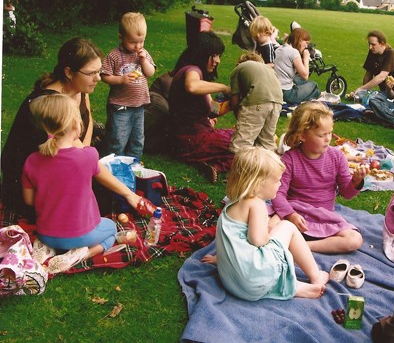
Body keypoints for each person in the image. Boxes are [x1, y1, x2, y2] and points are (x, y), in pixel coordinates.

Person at [22, 94, 146, 273]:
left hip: (46, 233)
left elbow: (28, 200)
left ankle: (47, 248)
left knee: (55, 235)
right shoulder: (88, 156)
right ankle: (81, 254)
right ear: (75, 124)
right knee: (111, 230)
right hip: (82, 236)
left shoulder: (32, 161)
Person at [202, 147, 329, 301]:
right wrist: (273, 233)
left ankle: (298, 287)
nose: (280, 184)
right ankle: (316, 277)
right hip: (255, 279)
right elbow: (258, 240)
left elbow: (234, 241)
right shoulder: (256, 204)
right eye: (277, 180)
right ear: (259, 183)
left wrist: (220, 259)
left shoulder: (232, 203)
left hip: (233, 283)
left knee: (276, 233)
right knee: (288, 227)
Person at [1, 37, 103, 220]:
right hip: (31, 186)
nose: (98, 78)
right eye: (91, 73)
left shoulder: (80, 88)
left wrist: (86, 153)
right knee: (104, 198)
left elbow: (87, 122)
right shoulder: (53, 105)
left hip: (61, 166)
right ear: (69, 72)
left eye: (99, 71)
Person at [271, 101, 368, 254]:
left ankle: (300, 247)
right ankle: (291, 242)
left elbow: (346, 193)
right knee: (269, 225)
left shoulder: (337, 156)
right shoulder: (290, 159)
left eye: (330, 133)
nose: (328, 139)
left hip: (323, 217)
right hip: (295, 213)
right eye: (322, 135)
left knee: (354, 239)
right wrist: (291, 215)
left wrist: (356, 182)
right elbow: (278, 194)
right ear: (302, 135)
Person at [168, 31, 234, 183]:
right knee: (244, 144)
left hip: (186, 141)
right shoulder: (192, 70)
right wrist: (224, 88)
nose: (218, 61)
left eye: (219, 56)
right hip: (192, 141)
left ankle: (212, 165)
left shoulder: (198, 76)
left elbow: (212, 110)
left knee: (241, 137)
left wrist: (233, 103)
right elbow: (191, 86)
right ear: (202, 54)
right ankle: (218, 167)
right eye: (214, 55)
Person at [101, 12, 156, 159]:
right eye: (133, 42)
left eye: (141, 41)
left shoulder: (143, 54)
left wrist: (144, 61)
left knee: (138, 138)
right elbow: (104, 76)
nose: (138, 46)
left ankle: (134, 161)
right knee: (118, 138)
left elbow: (150, 72)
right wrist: (120, 80)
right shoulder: (114, 55)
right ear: (121, 37)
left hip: (139, 105)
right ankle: (115, 161)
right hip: (120, 106)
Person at [228, 52, 283, 153]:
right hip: (278, 101)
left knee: (241, 144)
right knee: (266, 141)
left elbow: (234, 99)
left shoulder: (239, 68)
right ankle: (273, 165)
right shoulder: (267, 69)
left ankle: (240, 165)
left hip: (258, 100)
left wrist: (240, 118)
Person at [274, 28, 321, 104]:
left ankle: (310, 95)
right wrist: (306, 58)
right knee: (313, 85)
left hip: (276, 89)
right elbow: (305, 76)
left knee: (299, 80)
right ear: (300, 40)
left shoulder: (280, 48)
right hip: (286, 94)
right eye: (306, 42)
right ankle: (313, 95)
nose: (306, 45)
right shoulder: (294, 52)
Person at [355, 30, 394, 94]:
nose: (370, 47)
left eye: (373, 44)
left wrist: (361, 89)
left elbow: (382, 77)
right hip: (384, 91)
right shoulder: (373, 52)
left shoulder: (391, 54)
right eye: (369, 44)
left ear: (382, 44)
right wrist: (363, 92)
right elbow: (368, 74)